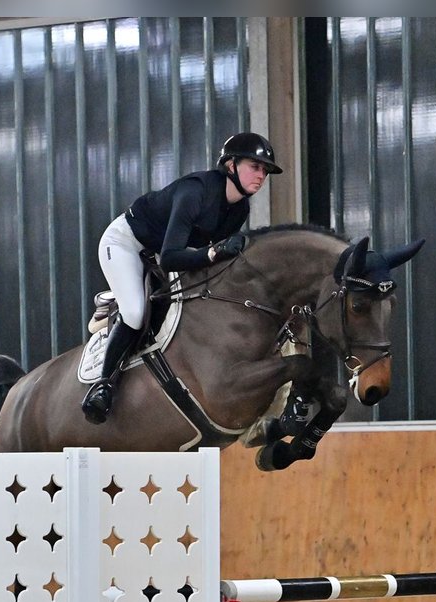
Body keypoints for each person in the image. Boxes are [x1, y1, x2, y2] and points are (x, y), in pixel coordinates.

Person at [81, 132, 284, 424]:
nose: (261, 175)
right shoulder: (195, 192)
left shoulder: (239, 209)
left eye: (265, 170)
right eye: (255, 166)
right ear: (230, 165)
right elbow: (174, 256)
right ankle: (103, 386)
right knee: (136, 313)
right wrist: (214, 253)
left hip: (159, 254)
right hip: (126, 244)